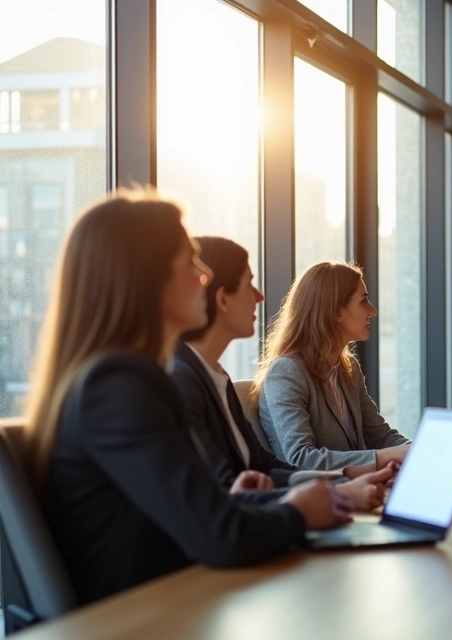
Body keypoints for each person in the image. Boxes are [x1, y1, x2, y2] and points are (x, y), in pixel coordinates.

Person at [22, 188, 351, 605]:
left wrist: (241, 501)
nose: (205, 275)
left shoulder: (114, 380)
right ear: (145, 279)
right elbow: (220, 536)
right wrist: (300, 512)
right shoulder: (119, 385)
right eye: (189, 261)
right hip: (140, 621)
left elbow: (200, 512)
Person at [171, 237, 396, 511]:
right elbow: (291, 461)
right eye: (249, 284)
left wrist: (410, 456)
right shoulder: (282, 372)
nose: (260, 297)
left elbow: (264, 468)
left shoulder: (217, 379)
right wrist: (347, 490)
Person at [254, 261, 411, 470]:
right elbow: (301, 458)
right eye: (363, 301)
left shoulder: (348, 368)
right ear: (336, 312)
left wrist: (418, 451)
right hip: (317, 497)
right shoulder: (286, 372)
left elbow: (380, 436)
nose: (372, 311)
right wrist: (385, 457)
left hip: (357, 490)